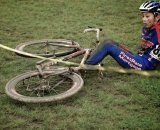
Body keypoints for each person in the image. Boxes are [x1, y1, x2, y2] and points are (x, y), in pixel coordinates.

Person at [85, 1, 160, 70]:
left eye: (147, 16)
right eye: (143, 16)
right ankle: (92, 58)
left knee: (108, 46)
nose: (144, 19)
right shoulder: (148, 27)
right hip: (139, 57)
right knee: (109, 41)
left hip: (144, 65)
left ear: (157, 17)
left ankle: (84, 68)